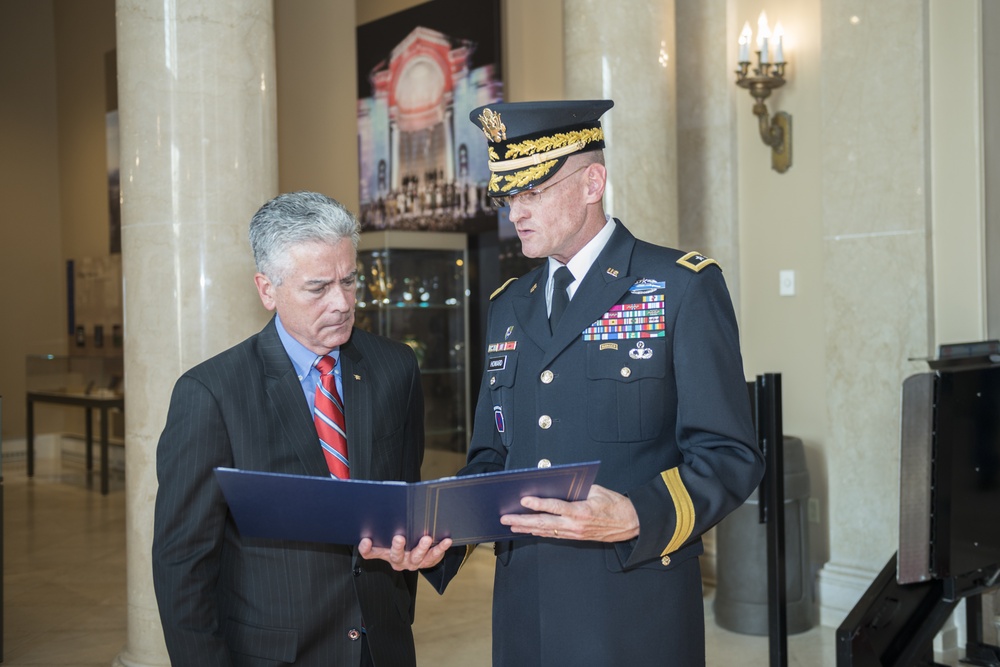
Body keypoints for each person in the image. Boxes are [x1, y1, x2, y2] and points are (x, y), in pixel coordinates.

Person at [417, 100, 766, 665]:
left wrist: (637, 513)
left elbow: (729, 455)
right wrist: (437, 534)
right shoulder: (509, 307)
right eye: (510, 197)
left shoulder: (678, 288)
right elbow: (491, 458)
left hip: (632, 604)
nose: (516, 213)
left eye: (533, 192)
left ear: (591, 183)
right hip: (523, 607)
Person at [152, 191, 449, 666]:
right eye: (318, 287)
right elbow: (182, 563)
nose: (342, 303)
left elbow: (406, 497)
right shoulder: (211, 393)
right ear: (267, 289)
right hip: (275, 653)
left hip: (382, 647)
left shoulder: (395, 367)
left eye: (349, 281)